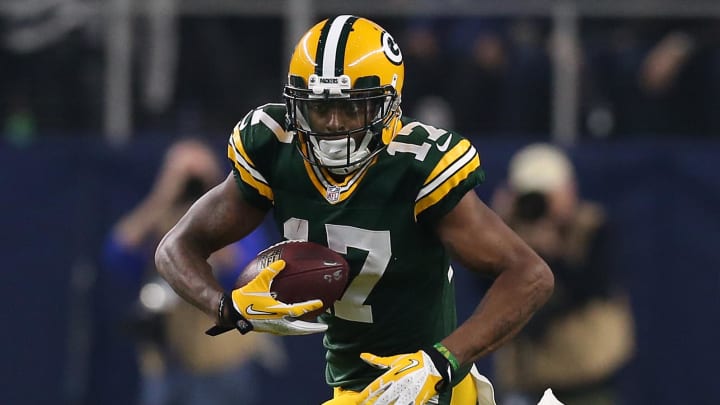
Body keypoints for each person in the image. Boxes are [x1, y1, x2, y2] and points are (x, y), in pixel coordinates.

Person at [154, 16, 554, 405]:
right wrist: (226, 307)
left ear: (389, 104)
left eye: (352, 108)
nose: (333, 124)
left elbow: (530, 275)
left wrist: (441, 362)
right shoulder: (274, 148)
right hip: (355, 392)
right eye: (319, 107)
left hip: (428, 390)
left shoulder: (416, 165)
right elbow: (175, 248)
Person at [103, 138, 285, 405]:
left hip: (220, 364)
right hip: (165, 365)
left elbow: (248, 275)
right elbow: (117, 254)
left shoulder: (238, 220)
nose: (190, 182)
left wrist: (213, 204)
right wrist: (163, 196)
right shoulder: (159, 222)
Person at [490, 143, 635, 405]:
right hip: (525, 377)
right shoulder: (512, 236)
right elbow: (487, 286)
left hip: (584, 374)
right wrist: (500, 228)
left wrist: (552, 252)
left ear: (568, 191)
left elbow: (591, 287)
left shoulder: (593, 228)